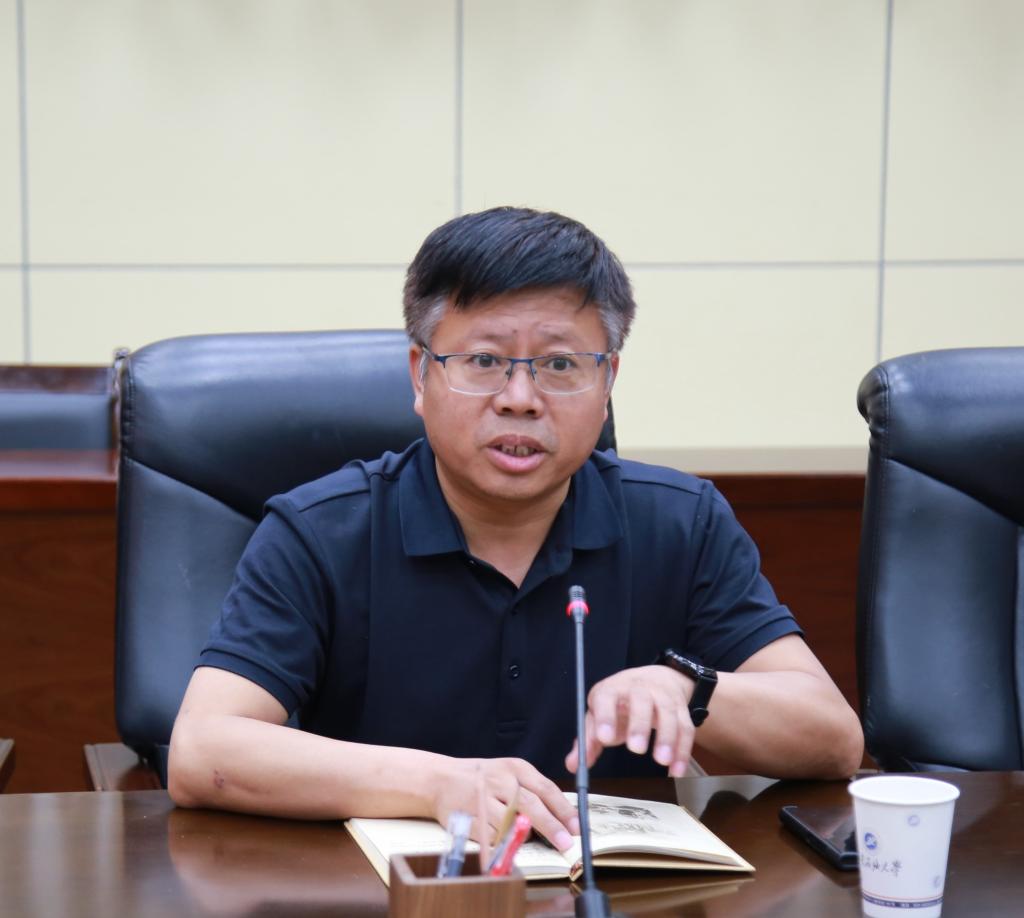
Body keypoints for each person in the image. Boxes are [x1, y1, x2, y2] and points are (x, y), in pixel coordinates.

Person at [168, 206, 863, 853]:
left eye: (560, 364)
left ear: (607, 382)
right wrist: (438, 785)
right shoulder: (319, 531)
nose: (521, 399)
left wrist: (691, 687)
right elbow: (203, 750)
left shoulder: (681, 522)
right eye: (484, 361)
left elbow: (834, 740)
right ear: (420, 374)